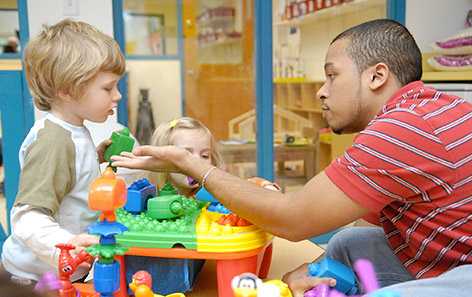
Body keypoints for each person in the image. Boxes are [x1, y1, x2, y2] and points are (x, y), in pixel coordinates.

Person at [112, 19, 472, 297]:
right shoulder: (425, 111)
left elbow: (293, 219)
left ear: (377, 76)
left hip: (463, 272)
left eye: (332, 76)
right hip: (447, 259)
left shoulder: (402, 129)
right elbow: (335, 211)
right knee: (348, 243)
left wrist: (195, 166)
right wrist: (309, 271)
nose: (322, 90)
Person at [1, 19, 125, 285]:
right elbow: (26, 216)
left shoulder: (72, 130)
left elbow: (70, 178)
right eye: (108, 87)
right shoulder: (55, 141)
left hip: (62, 273)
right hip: (35, 279)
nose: (118, 96)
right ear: (68, 90)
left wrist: (97, 157)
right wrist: (68, 244)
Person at [125, 117, 224, 294]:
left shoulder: (208, 196)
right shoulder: (153, 197)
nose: (197, 162)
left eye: (204, 155)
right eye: (185, 155)